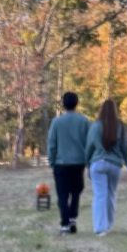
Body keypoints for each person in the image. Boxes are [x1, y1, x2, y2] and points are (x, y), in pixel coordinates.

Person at [84, 99, 127, 235]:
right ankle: (109, 224)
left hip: (97, 163)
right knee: (111, 195)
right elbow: (125, 147)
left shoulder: (95, 126)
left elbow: (89, 147)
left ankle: (100, 228)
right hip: (114, 165)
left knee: (99, 195)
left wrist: (87, 164)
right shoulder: (120, 126)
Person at [46, 91, 90, 234]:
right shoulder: (83, 121)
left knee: (63, 194)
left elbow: (52, 143)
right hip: (78, 163)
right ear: (77, 103)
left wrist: (52, 160)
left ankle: (65, 223)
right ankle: (72, 217)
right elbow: (89, 142)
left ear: (63, 104)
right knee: (76, 191)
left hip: (61, 163)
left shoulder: (57, 122)